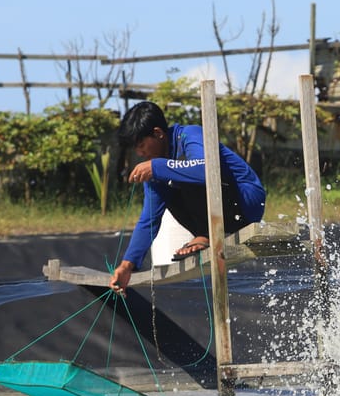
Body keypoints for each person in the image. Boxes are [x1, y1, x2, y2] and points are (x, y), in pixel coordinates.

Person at [109, 101, 266, 291]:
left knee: (181, 173)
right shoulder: (156, 170)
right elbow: (149, 219)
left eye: (141, 145)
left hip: (246, 204)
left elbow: (206, 170)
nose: (140, 153)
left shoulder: (189, 134)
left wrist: (158, 166)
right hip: (219, 215)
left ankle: (204, 234)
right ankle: (204, 233)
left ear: (158, 133)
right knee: (164, 182)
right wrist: (127, 265)